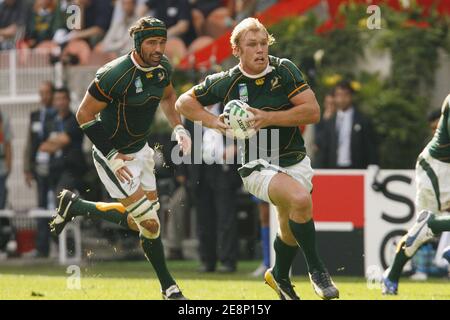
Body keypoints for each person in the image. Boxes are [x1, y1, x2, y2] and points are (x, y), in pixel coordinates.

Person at [176, 17, 339, 300]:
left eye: (263, 43)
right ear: (237, 49)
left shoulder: (284, 70)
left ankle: (279, 277)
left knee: (289, 226)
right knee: (301, 200)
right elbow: (183, 102)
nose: (260, 49)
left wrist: (268, 118)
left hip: (293, 159)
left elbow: (312, 111)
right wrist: (214, 122)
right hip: (255, 164)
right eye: (252, 44)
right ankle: (317, 270)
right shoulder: (226, 81)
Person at [49, 17, 191, 300]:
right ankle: (169, 288)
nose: (158, 48)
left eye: (162, 41)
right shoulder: (115, 74)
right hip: (113, 155)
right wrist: (112, 156)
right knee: (151, 224)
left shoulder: (162, 68)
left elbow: (168, 96)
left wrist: (178, 126)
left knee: (144, 223)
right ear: (138, 44)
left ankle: (77, 205)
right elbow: (83, 115)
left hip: (142, 151)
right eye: (152, 42)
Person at [382, 93, 450, 295]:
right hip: (437, 169)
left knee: (423, 231)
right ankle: (391, 276)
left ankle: (391, 277)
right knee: (425, 229)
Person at [24, 80, 56, 258]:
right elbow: (30, 143)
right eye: (41, 93)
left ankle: (61, 245)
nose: (44, 97)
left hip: (55, 167)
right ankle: (42, 247)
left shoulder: (57, 114)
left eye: (47, 93)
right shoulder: (35, 115)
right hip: (39, 167)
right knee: (41, 204)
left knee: (56, 206)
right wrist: (27, 168)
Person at [315, 81, 378, 169]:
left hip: (357, 169)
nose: (342, 98)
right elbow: (322, 146)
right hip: (334, 169)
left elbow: (370, 147)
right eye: (339, 95)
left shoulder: (362, 120)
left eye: (345, 94)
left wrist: (373, 167)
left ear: (351, 96)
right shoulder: (330, 121)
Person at [38, 87, 87, 199]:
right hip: (54, 167)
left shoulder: (75, 119)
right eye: (57, 99)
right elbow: (43, 146)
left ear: (68, 100)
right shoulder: (50, 122)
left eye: (63, 99)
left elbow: (65, 140)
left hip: (71, 168)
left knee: (62, 198)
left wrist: (53, 142)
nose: (60, 102)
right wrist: (56, 142)